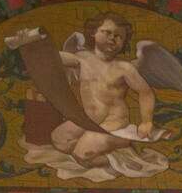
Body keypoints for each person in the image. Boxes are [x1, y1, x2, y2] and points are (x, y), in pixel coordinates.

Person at [50, 13, 160, 170]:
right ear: (93, 32)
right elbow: (54, 58)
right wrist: (36, 44)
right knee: (59, 140)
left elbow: (145, 92)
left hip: (114, 124)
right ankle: (103, 147)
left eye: (119, 36)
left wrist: (147, 121)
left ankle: (120, 159)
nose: (112, 38)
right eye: (107, 32)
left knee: (82, 154)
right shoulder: (82, 58)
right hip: (89, 119)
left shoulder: (124, 68)